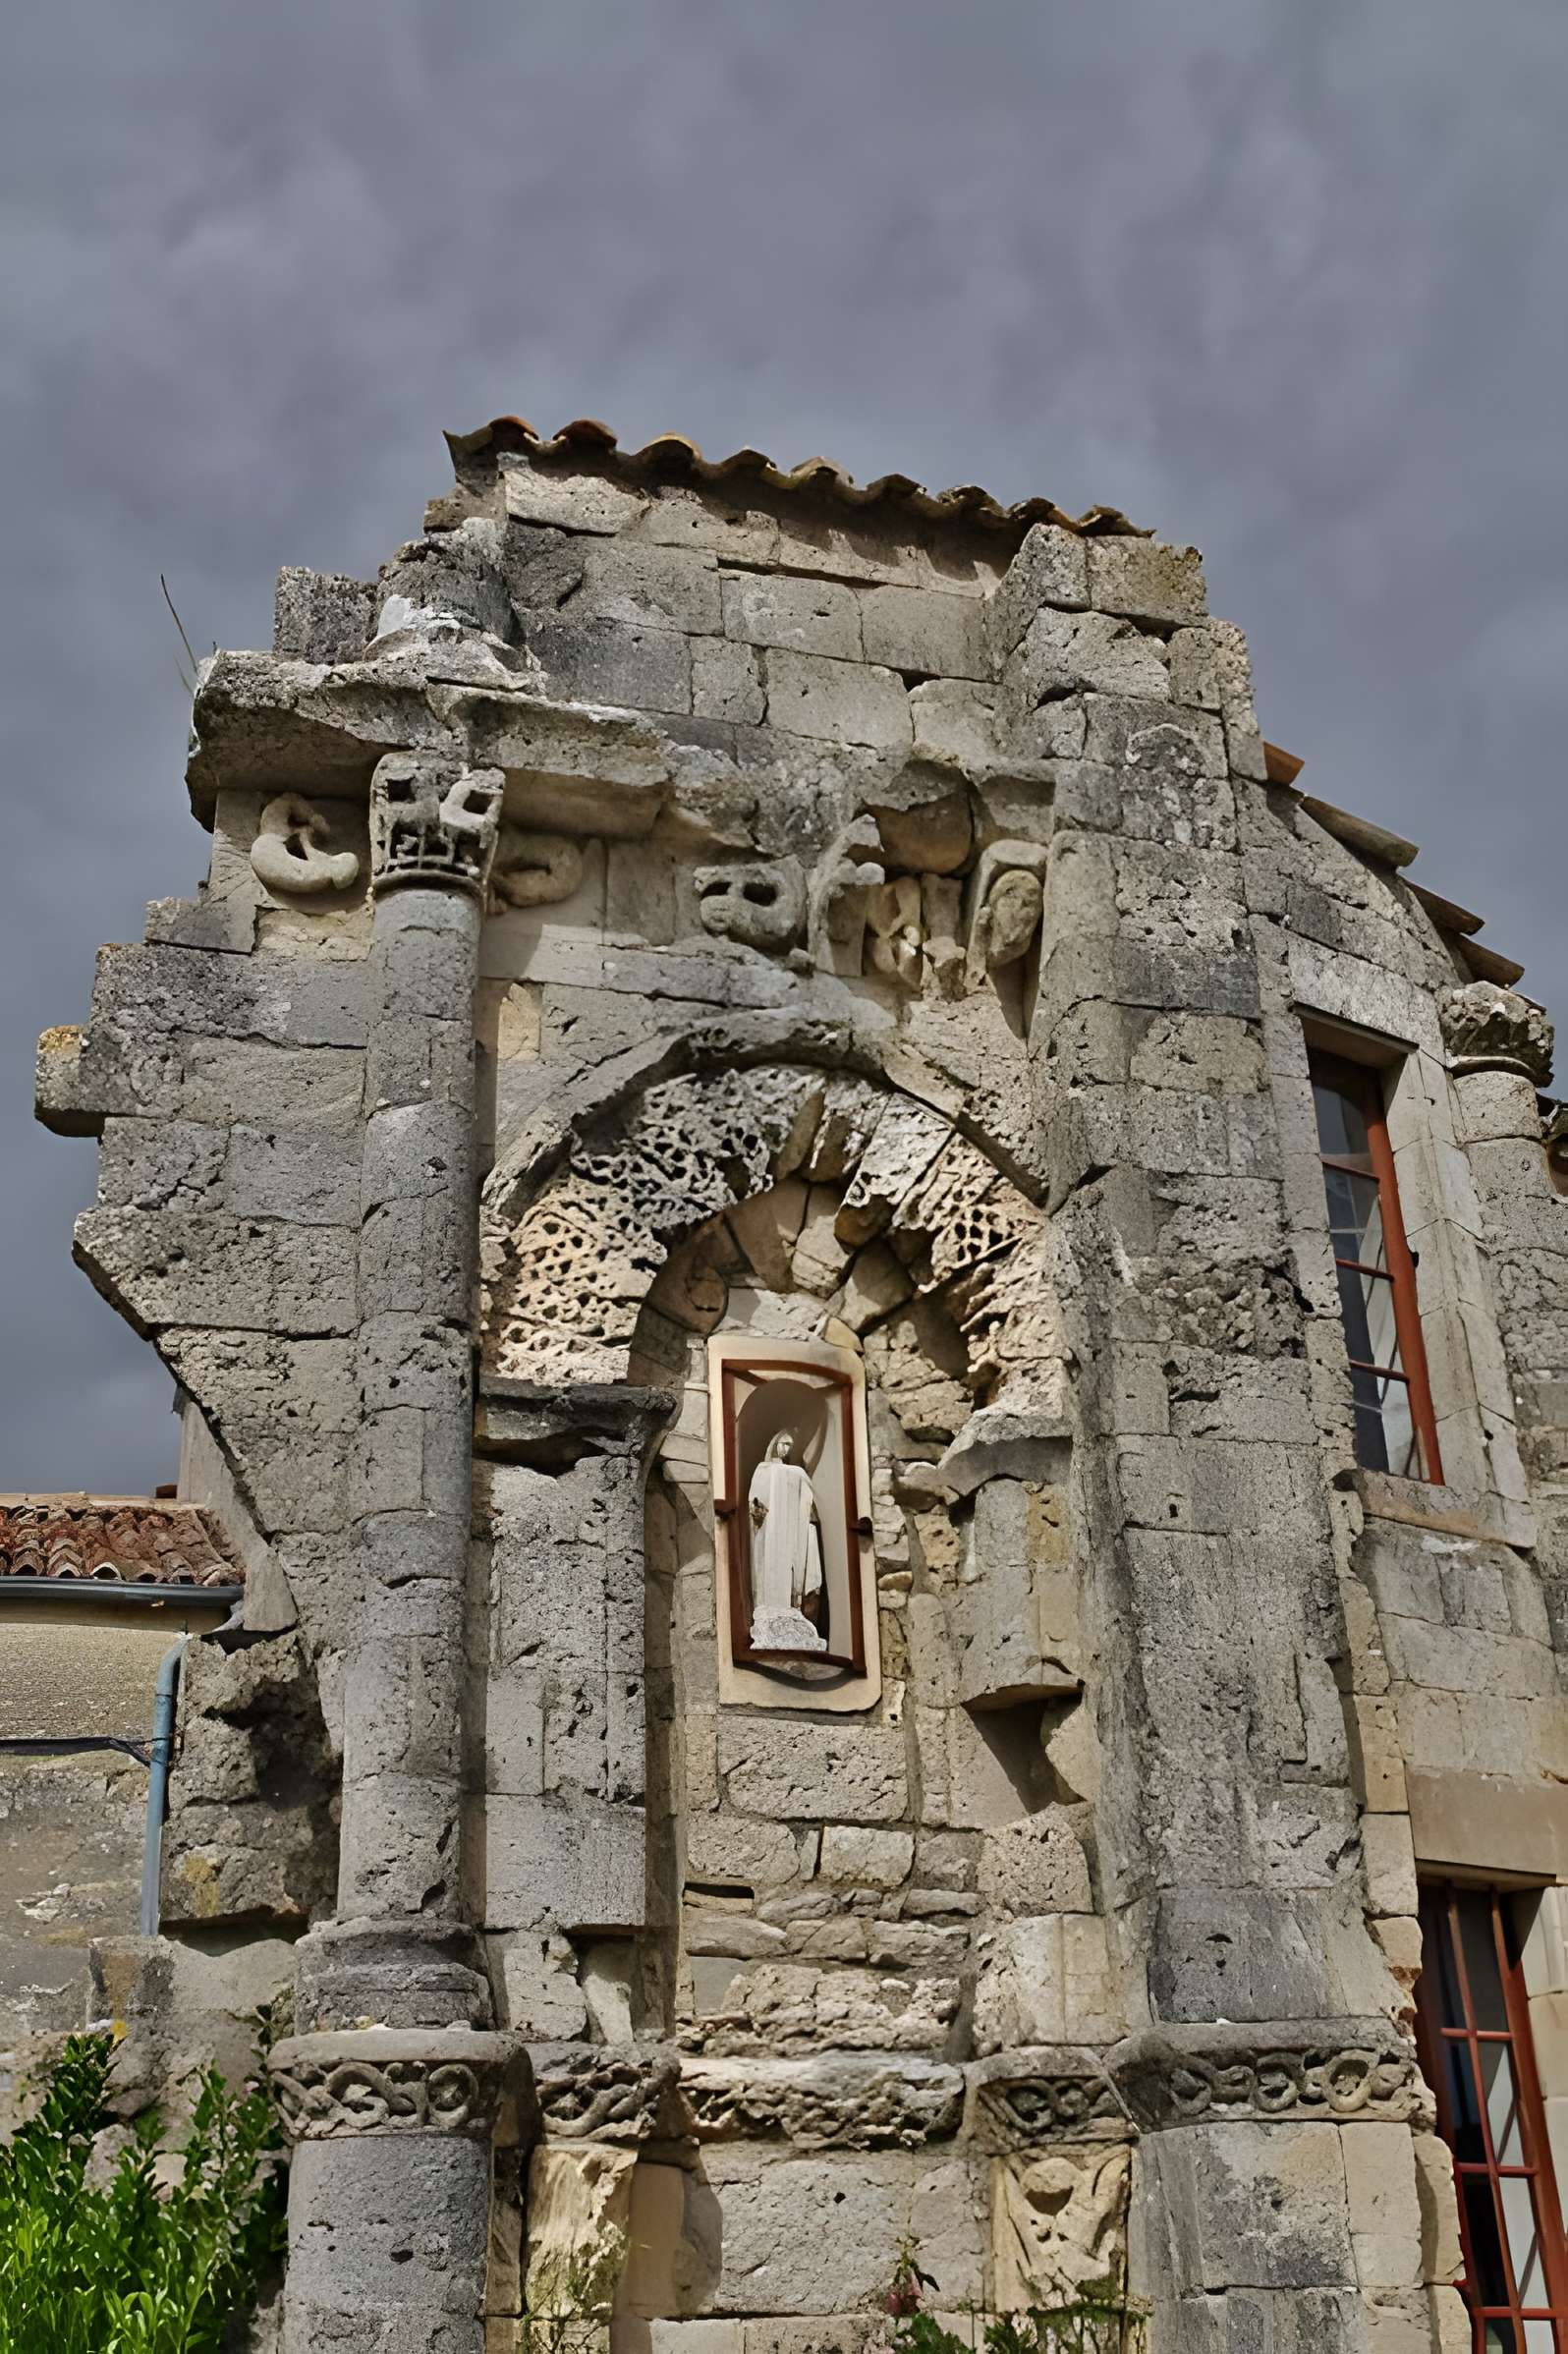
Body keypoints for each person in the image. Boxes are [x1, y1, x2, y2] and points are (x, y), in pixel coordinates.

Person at [747, 1431, 826, 1651]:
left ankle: (792, 1609)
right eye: (783, 1444)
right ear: (774, 1443)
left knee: (791, 1569)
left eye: (790, 1446)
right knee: (770, 1568)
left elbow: (807, 1503)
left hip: (791, 1530)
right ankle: (769, 1609)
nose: (786, 1450)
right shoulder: (763, 1470)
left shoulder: (797, 1473)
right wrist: (756, 1510)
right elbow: (755, 1500)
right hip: (771, 1530)